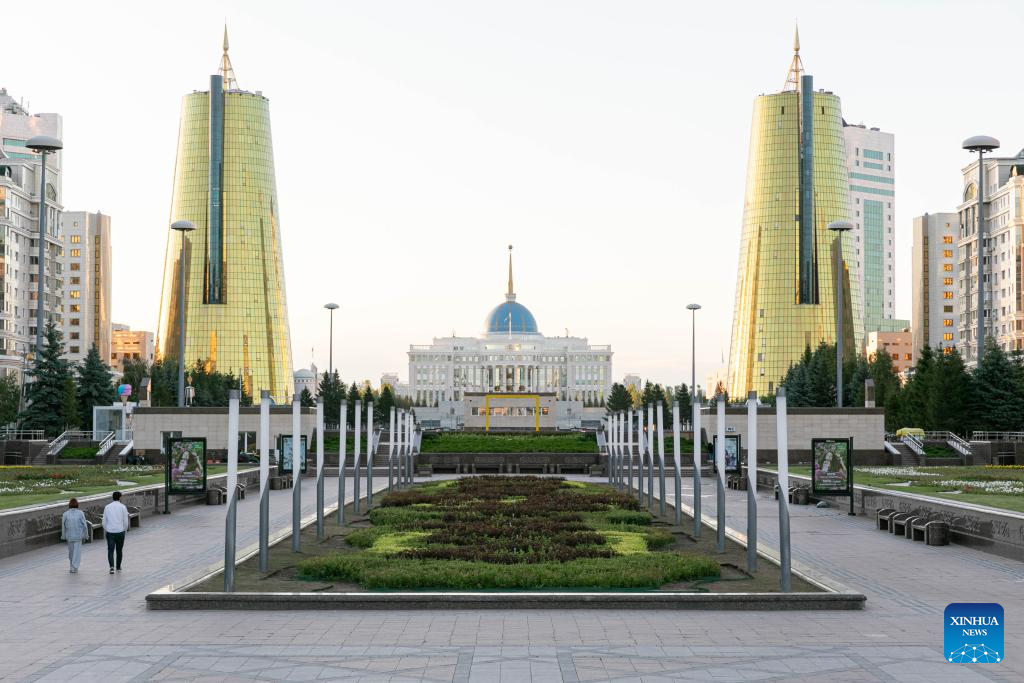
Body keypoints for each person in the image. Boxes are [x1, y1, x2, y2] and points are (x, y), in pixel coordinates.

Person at [102, 491, 130, 574]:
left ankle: (111, 567)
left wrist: (107, 529)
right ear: (120, 497)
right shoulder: (123, 507)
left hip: (110, 531)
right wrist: (124, 529)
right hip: (120, 531)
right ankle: (118, 566)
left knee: (110, 550)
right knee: (119, 550)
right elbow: (125, 521)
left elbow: (104, 521)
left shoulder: (107, 507)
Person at [60, 498, 88, 573]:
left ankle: (72, 567)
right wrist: (86, 535)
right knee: (77, 552)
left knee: (71, 552)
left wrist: (63, 536)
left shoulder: (65, 514)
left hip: (69, 536)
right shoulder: (80, 513)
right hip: (78, 536)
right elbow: (85, 525)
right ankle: (75, 566)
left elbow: (63, 526)